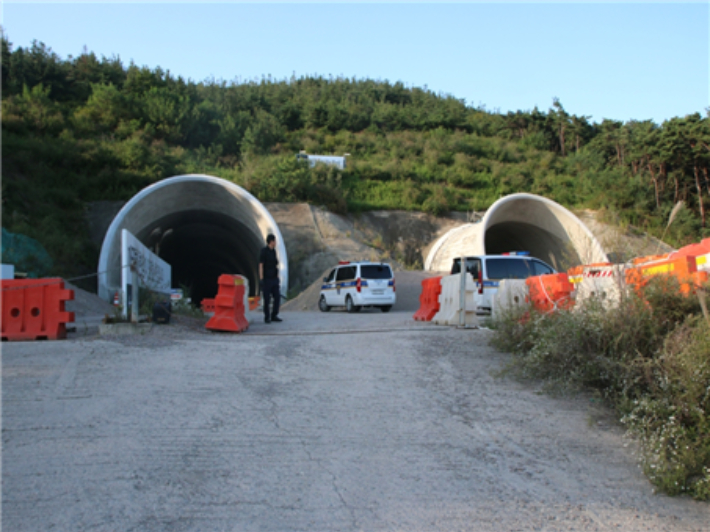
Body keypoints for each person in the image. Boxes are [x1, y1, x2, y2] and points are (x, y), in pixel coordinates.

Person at [259, 234, 282, 323]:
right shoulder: (264, 251)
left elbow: (276, 265)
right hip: (267, 279)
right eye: (274, 241)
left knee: (277, 297)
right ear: (271, 241)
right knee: (267, 299)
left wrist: (277, 277)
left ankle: (274, 315)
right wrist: (261, 278)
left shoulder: (274, 252)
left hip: (274, 279)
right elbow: (261, 265)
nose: (275, 242)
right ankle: (267, 317)